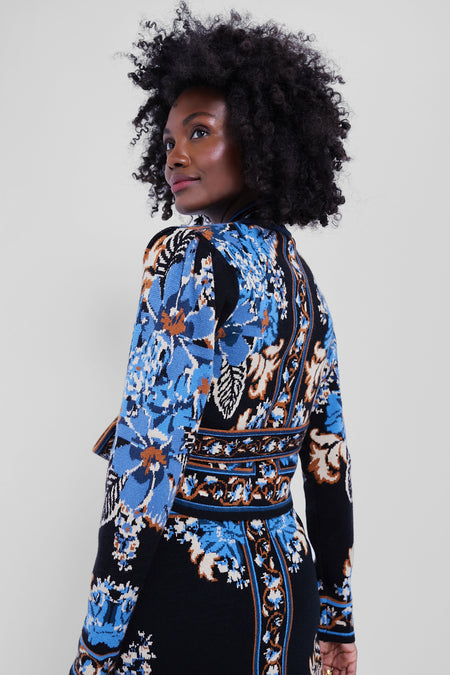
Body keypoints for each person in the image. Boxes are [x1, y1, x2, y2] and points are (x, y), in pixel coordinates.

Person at [70, 4, 357, 674]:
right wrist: (336, 620)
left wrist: (99, 640)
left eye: (200, 132)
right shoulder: (303, 281)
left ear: (259, 139)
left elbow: (146, 460)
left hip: (194, 588)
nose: (176, 155)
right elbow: (330, 460)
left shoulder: (188, 257)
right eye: (170, 139)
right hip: (288, 584)